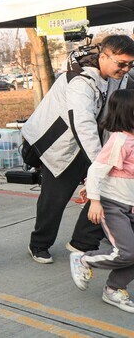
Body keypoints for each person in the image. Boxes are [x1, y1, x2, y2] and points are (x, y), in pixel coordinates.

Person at [23, 34, 134, 263]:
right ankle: (39, 244)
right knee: (55, 198)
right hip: (59, 145)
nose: (125, 69)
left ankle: (81, 242)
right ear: (103, 56)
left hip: (92, 143)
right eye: (121, 64)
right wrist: (100, 164)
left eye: (130, 64)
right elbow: (81, 124)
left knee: (108, 191)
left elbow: (109, 116)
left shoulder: (118, 77)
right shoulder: (80, 80)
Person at [69, 89, 134, 313]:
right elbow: (95, 171)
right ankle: (84, 259)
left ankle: (114, 289)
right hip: (113, 204)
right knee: (126, 252)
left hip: (130, 205)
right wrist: (95, 201)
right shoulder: (120, 141)